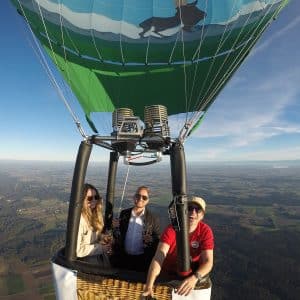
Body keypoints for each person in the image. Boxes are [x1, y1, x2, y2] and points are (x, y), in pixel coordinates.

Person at [142, 196, 214, 297]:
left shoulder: (205, 231)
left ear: (202, 215)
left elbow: (208, 262)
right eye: (189, 208)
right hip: (167, 275)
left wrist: (194, 278)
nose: (193, 212)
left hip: (190, 275)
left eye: (197, 210)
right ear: (183, 211)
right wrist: (149, 286)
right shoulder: (171, 229)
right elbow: (159, 257)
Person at [112, 186, 160, 271]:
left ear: (148, 200)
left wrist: (151, 239)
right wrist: (115, 227)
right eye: (138, 196)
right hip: (123, 257)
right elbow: (118, 234)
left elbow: (158, 237)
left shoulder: (152, 219)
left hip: (142, 259)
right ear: (134, 197)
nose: (140, 199)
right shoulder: (124, 214)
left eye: (144, 197)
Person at [76, 183, 111, 265]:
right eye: (90, 198)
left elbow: (96, 238)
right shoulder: (79, 220)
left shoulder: (97, 215)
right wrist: (101, 248)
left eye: (96, 197)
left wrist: (103, 238)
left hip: (100, 260)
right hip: (87, 265)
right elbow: (78, 250)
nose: (94, 200)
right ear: (82, 199)